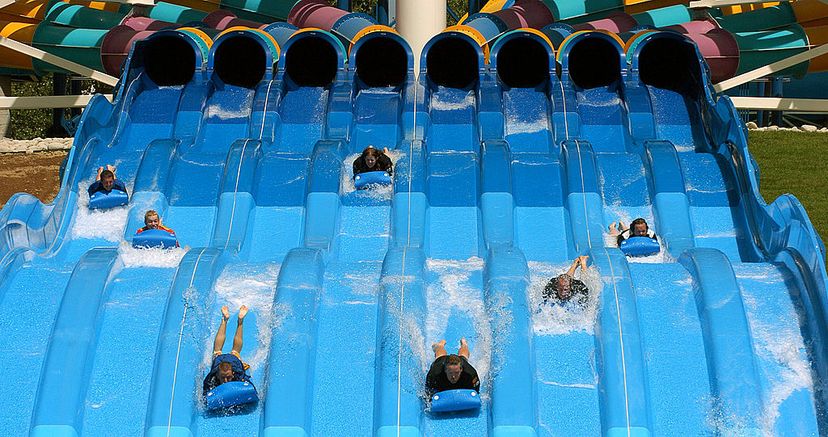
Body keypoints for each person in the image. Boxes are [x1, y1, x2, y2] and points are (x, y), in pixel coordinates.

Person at [203, 305, 251, 393]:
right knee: (234, 351)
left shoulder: (238, 373)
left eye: (228, 377)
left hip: (233, 360)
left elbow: (250, 387)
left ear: (233, 373)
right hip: (219, 360)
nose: (226, 381)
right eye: (222, 377)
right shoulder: (213, 376)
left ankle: (232, 321)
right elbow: (205, 388)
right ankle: (230, 320)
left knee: (220, 350)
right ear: (217, 375)